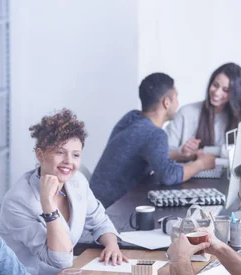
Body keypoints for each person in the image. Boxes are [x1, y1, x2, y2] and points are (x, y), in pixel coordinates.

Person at [0, 109, 125, 275]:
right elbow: (60, 259)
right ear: (40, 154)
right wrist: (48, 205)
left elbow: (100, 222)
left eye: (75, 155)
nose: (68, 161)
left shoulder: (77, 181)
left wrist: (111, 244)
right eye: (60, 152)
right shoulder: (18, 201)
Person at [90, 73, 216, 208]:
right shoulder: (155, 134)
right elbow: (168, 175)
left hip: (94, 201)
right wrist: (202, 164)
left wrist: (182, 154)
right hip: (109, 210)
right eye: (176, 97)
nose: (178, 103)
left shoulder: (131, 118)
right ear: (166, 102)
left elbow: (143, 151)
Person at [167, 63, 241, 161]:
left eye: (225, 90)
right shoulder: (186, 113)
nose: (217, 93)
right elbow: (165, 152)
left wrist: (205, 151)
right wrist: (182, 151)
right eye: (215, 85)